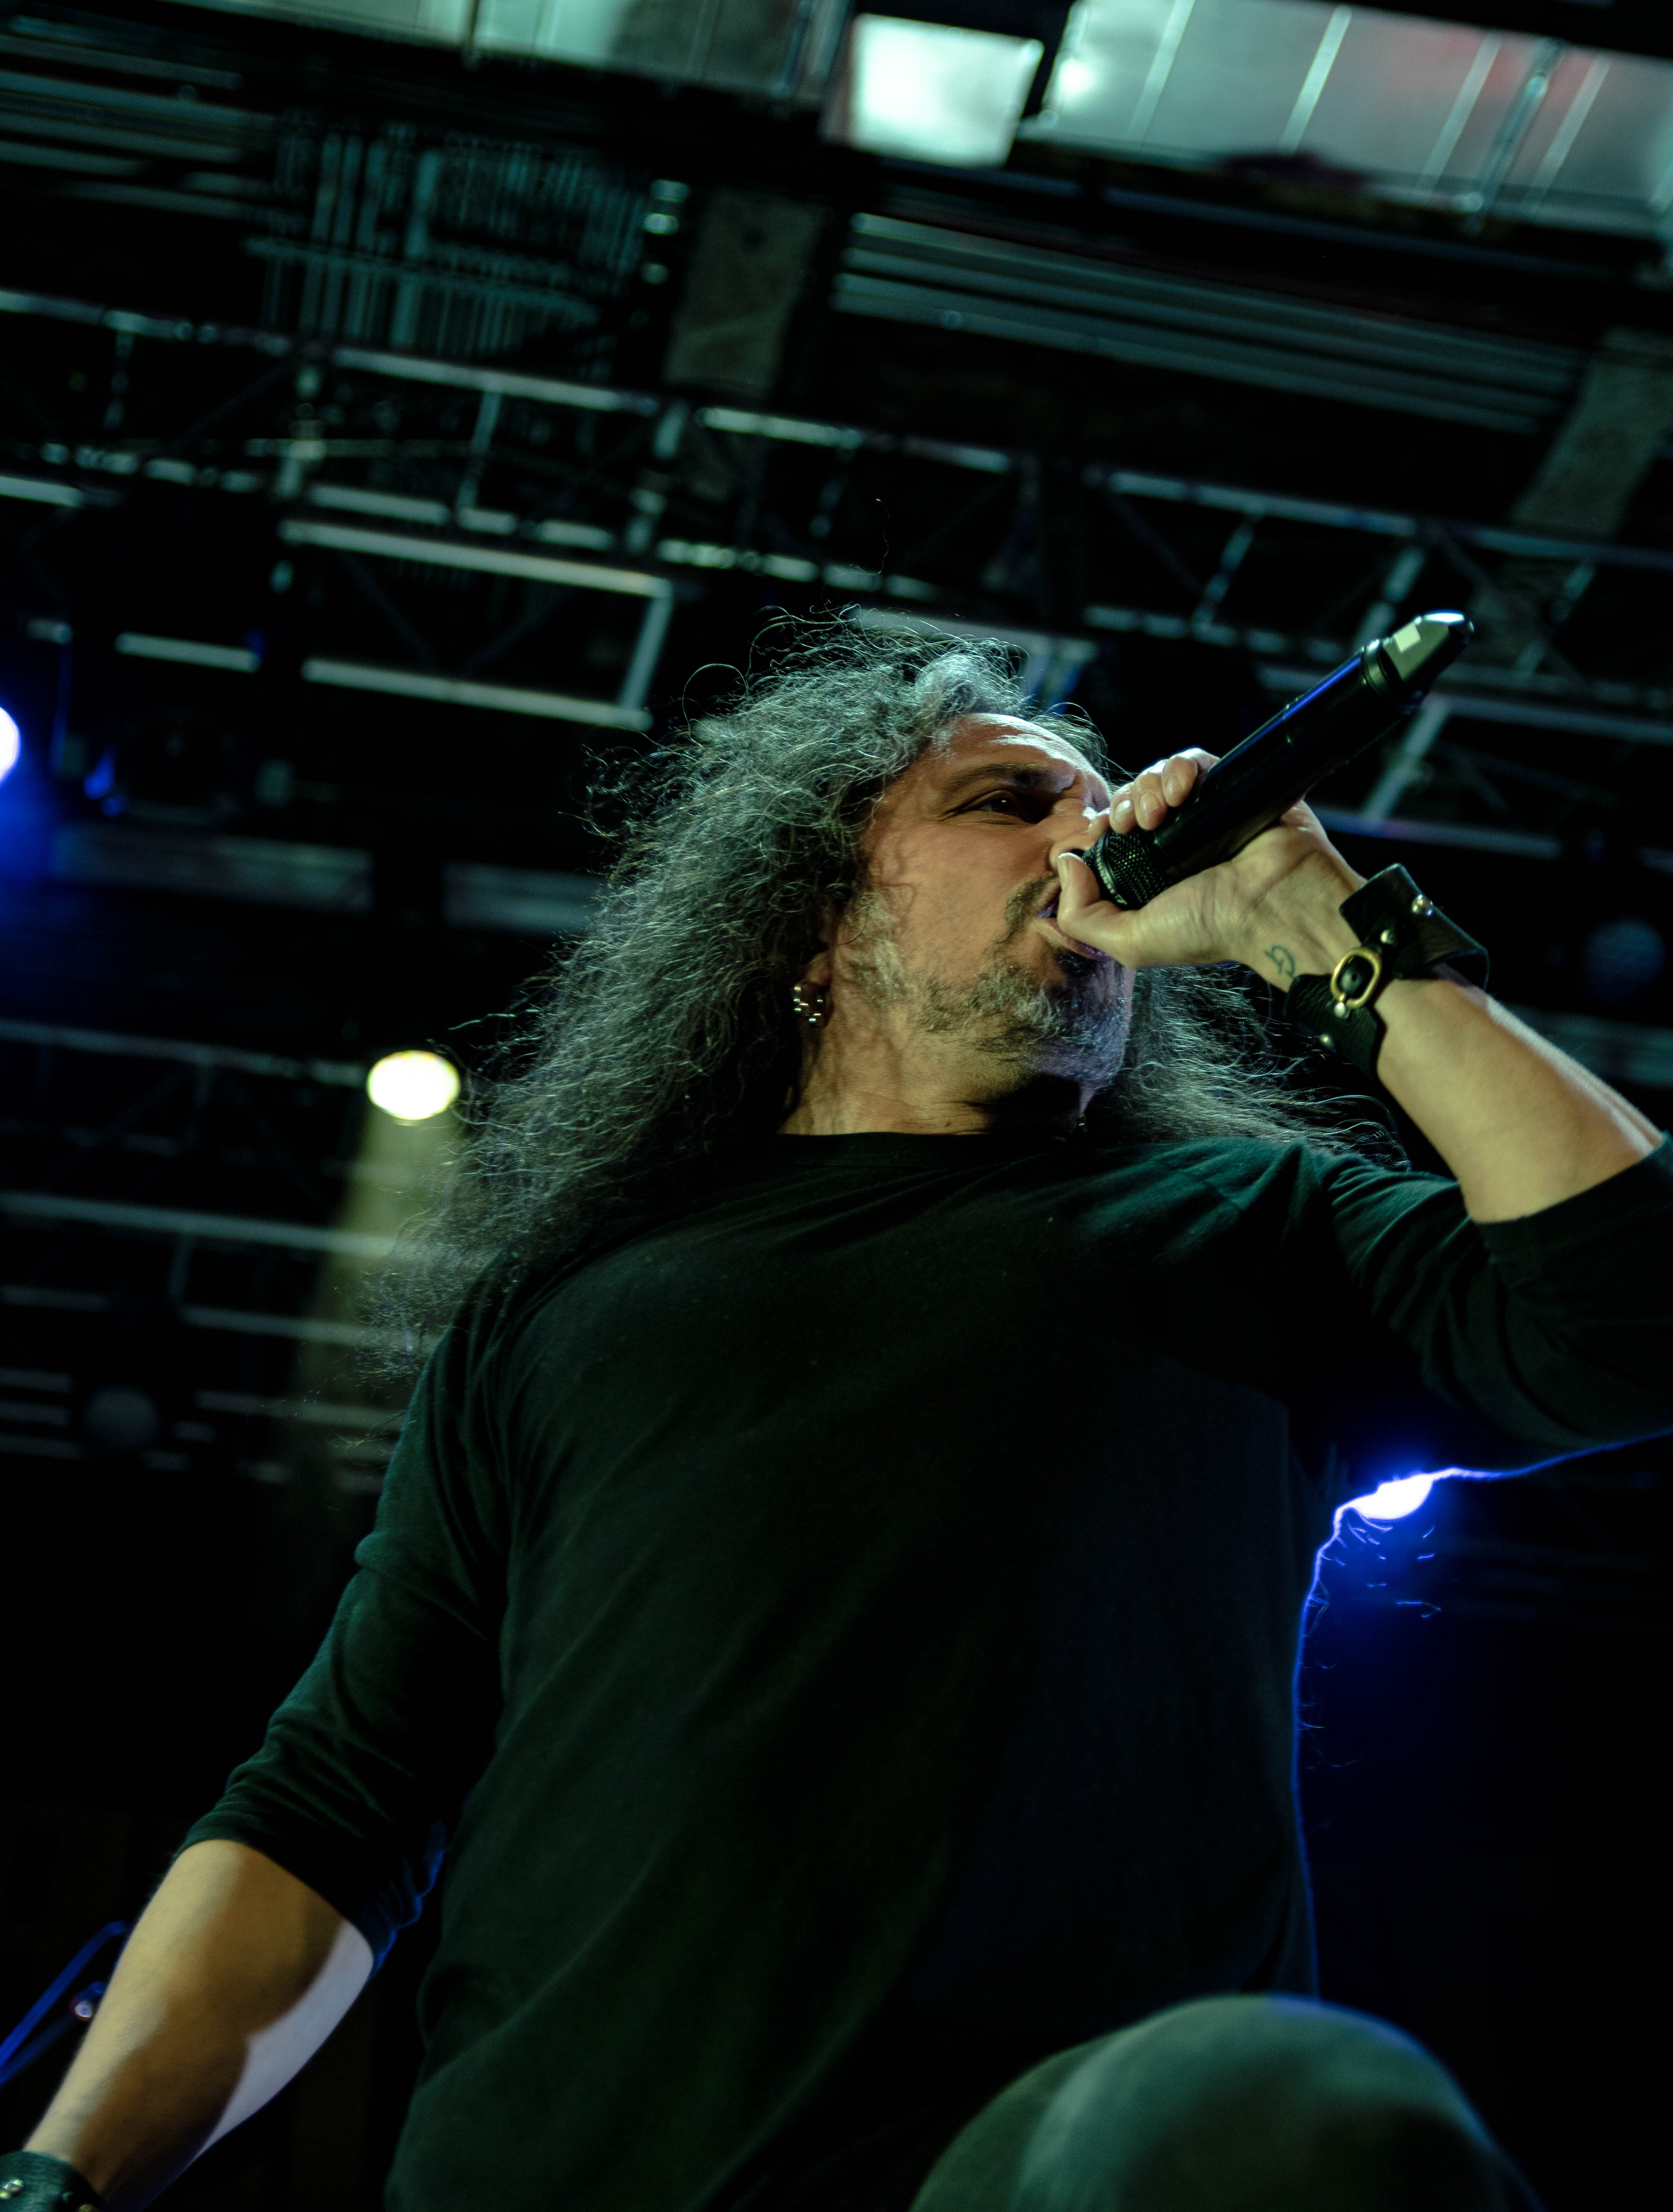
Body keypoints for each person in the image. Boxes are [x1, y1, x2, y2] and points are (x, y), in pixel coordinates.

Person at [10, 628, 1670, 2212]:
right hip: (572, 2174)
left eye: (1103, 805)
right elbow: (334, 1804)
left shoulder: (1251, 1231)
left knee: (1315, 2117)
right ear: (814, 921)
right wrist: (60, 2176)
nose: (1094, 839)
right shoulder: (568, 1311)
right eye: (1009, 800)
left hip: (1039, 2165)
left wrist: (1321, 924)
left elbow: (1636, 1310)